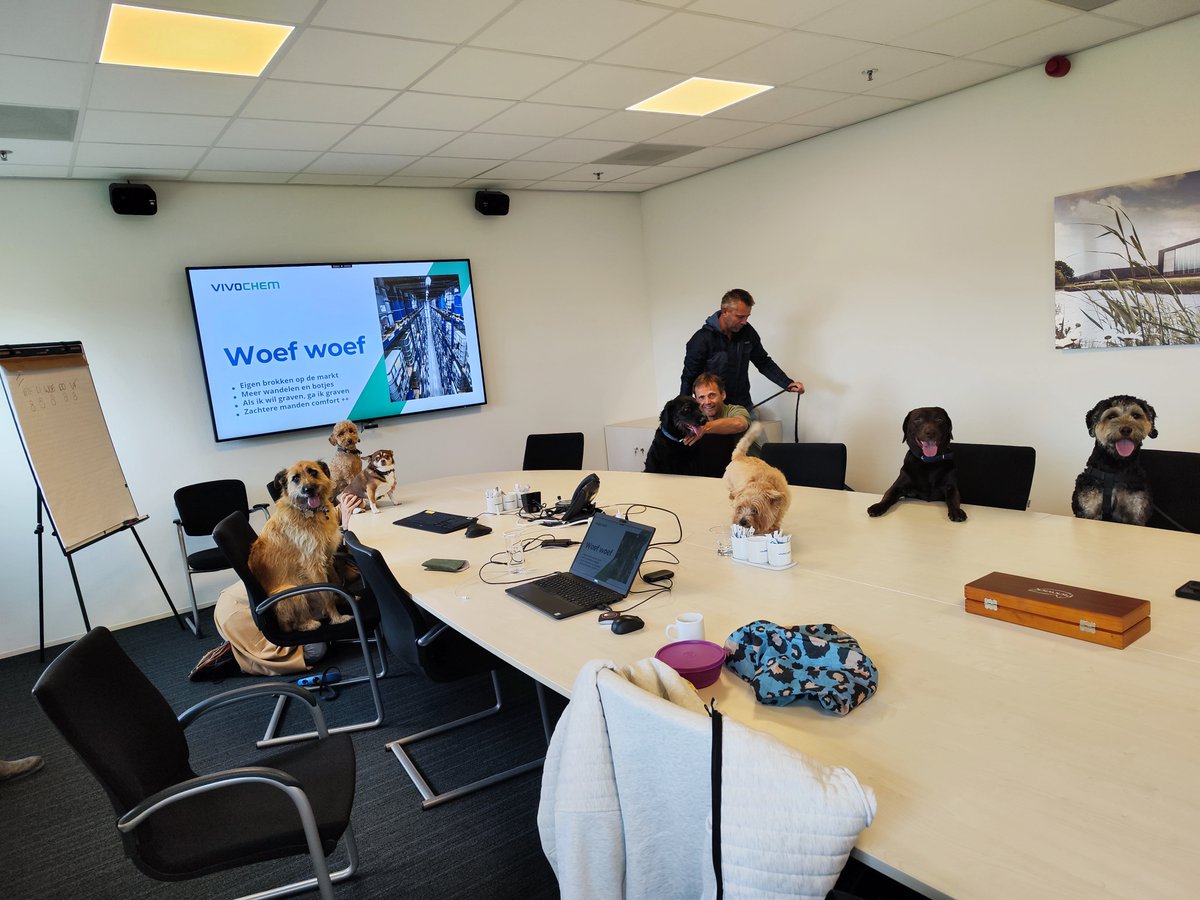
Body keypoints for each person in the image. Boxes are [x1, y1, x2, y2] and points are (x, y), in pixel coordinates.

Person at [190, 491, 363, 680]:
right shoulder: (293, 520)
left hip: (274, 593)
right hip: (240, 612)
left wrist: (343, 511)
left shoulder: (306, 513)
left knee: (323, 620)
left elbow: (326, 526)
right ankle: (237, 655)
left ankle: (240, 649)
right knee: (315, 650)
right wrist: (346, 526)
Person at [680, 288, 804, 409]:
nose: (744, 321)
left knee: (751, 427)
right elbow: (689, 377)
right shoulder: (701, 339)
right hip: (712, 411)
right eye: (740, 317)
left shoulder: (748, 332)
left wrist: (787, 383)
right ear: (725, 312)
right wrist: (684, 411)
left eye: (747, 316)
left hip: (742, 406)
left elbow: (763, 362)